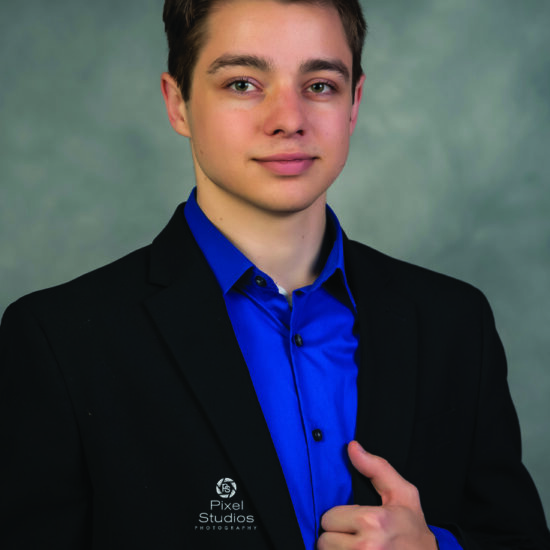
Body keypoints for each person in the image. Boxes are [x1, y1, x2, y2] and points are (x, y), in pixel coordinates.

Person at [0, 0, 549, 549]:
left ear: (354, 103)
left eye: (320, 85)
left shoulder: (455, 322)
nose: (289, 119)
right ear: (178, 104)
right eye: (242, 84)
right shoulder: (59, 341)